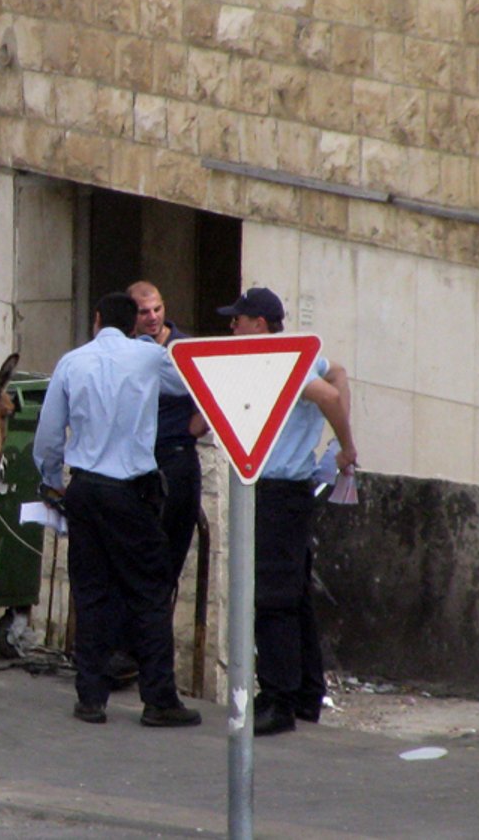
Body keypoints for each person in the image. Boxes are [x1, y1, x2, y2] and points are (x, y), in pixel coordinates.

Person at [33, 291, 202, 728]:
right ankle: (159, 699)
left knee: (91, 593)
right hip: (130, 492)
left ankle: (91, 698)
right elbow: (191, 383)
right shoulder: (148, 357)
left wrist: (52, 480)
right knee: (149, 592)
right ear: (133, 325)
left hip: (84, 491)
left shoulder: (72, 362)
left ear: (96, 320)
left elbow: (49, 435)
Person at [217, 286, 358, 735]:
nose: (233, 326)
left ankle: (278, 699)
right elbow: (338, 373)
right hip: (285, 492)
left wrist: (345, 446)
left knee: (272, 599)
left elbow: (331, 395)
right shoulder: (294, 357)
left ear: (260, 325)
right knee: (293, 595)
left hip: (279, 491)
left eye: (239, 320)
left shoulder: (282, 359)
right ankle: (305, 694)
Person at [127, 281, 203, 589]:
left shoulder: (185, 349)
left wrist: (195, 426)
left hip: (175, 456)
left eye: (157, 309)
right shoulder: (125, 349)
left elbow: (212, 397)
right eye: (144, 312)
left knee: (164, 566)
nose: (153, 317)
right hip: (135, 462)